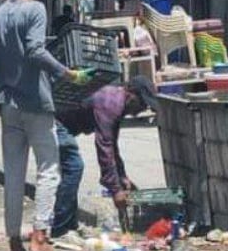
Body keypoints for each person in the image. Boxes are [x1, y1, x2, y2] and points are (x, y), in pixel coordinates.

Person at [0, 0, 91, 251]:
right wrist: (68, 74)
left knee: (15, 174)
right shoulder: (35, 9)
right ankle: (40, 237)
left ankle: (13, 243)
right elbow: (35, 50)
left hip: (8, 103)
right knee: (49, 168)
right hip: (34, 101)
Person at [51, 75, 160, 239]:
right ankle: (60, 228)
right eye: (142, 103)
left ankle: (69, 225)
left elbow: (113, 146)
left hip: (65, 124)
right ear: (131, 94)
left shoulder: (119, 103)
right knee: (74, 167)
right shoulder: (111, 103)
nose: (141, 110)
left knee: (71, 169)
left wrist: (122, 177)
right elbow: (104, 147)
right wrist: (115, 190)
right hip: (55, 121)